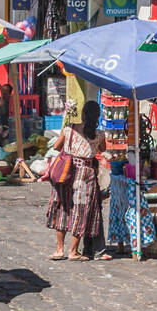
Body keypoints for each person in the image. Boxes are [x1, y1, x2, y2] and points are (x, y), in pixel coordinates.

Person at [46, 100, 106, 261]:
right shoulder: (99, 134)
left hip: (67, 172)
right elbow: (103, 149)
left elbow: (56, 147)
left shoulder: (69, 129)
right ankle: (73, 251)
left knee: (63, 208)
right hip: (86, 174)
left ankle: (59, 250)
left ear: (83, 114)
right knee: (81, 211)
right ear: (98, 116)